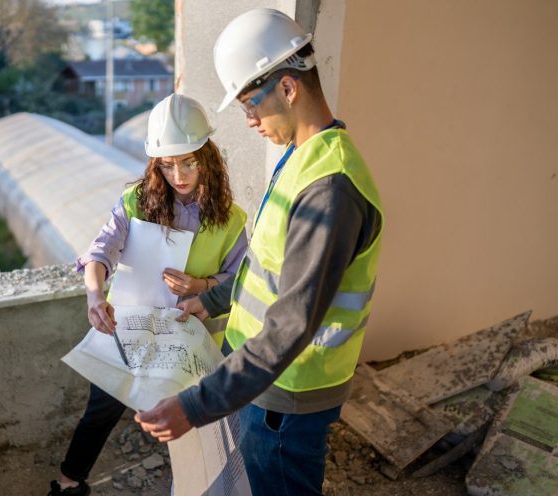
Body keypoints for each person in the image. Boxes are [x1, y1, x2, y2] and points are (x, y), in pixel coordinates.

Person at [135, 8, 384, 496]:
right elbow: (266, 267)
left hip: (290, 392)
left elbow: (291, 322)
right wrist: (211, 300)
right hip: (268, 384)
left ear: (288, 88)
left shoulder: (329, 190)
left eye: (251, 103)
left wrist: (194, 406)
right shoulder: (301, 158)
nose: (248, 119)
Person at [49, 93, 248, 496]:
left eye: (188, 162)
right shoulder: (136, 202)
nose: (178, 174)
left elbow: (240, 281)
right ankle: (70, 482)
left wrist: (202, 287)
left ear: (207, 157)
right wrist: (95, 296)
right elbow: (100, 251)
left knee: (194, 426)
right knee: (102, 406)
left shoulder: (231, 220)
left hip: (191, 340)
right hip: (132, 328)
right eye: (167, 164)